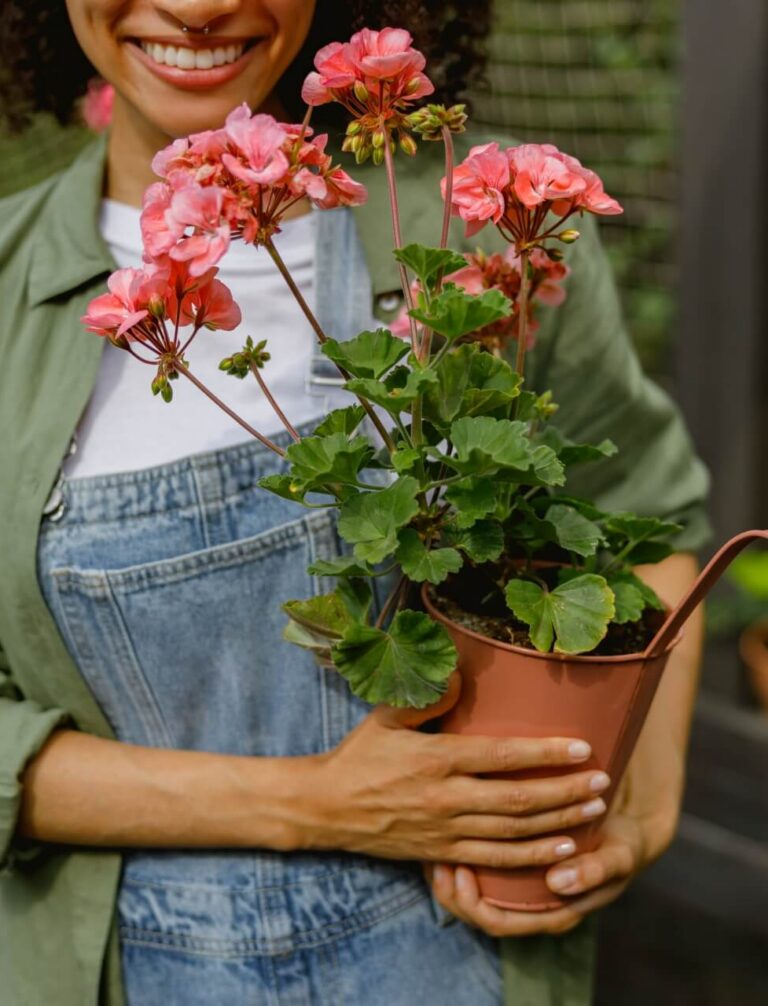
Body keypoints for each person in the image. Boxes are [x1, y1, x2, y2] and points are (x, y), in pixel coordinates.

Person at [0, 2, 710, 1005]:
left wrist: (646, 797)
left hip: (464, 961)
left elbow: (650, 516)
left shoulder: (480, 234)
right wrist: (318, 804)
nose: (198, 5)